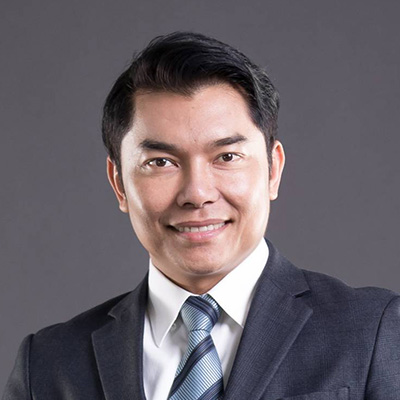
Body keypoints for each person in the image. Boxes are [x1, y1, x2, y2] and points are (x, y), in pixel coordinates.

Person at [3, 31, 400, 400]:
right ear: (119, 183)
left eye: (226, 157)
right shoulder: (48, 366)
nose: (197, 193)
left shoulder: (374, 333)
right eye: (160, 162)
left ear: (273, 170)